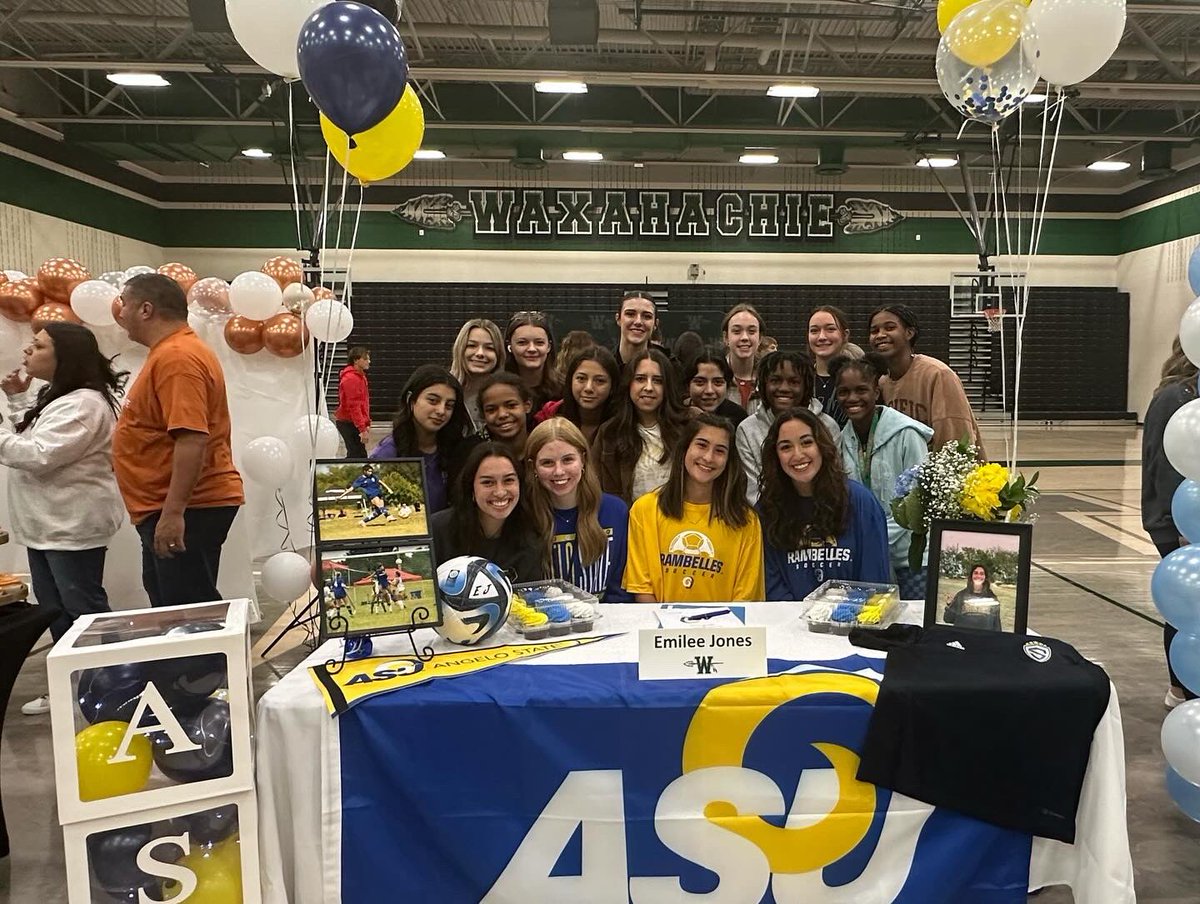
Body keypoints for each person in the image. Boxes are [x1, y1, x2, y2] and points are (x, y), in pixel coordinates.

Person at [0, 324, 127, 716]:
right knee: (56, 610)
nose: (27, 351)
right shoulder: (61, 396)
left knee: (84, 610)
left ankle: (116, 685)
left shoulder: (85, 404)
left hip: (71, 526)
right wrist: (18, 400)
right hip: (47, 526)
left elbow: (38, 454)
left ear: (64, 357)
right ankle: (72, 685)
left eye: (38, 346)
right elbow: (32, 439)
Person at [113, 273, 244, 608]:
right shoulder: (170, 352)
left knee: (187, 613)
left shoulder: (177, 357)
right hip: (167, 506)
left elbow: (191, 439)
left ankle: (203, 649)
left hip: (189, 507)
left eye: (124, 303)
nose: (120, 312)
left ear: (146, 309)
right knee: (172, 606)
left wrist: (173, 513)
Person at [624, 414, 763, 603]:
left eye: (720, 451)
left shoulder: (746, 520)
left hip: (724, 622)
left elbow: (745, 599)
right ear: (685, 449)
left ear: (728, 461)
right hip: (658, 621)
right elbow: (642, 589)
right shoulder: (644, 510)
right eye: (702, 445)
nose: (708, 457)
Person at [759, 408, 891, 601]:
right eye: (786, 447)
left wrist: (842, 614)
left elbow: (874, 581)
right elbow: (771, 586)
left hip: (853, 616)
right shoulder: (767, 509)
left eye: (807, 442)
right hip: (788, 618)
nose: (798, 454)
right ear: (775, 455)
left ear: (822, 445)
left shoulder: (862, 502)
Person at [834, 354, 933, 598]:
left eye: (861, 390)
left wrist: (873, 538)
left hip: (910, 557)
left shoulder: (906, 434)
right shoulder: (842, 441)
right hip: (867, 558)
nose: (852, 398)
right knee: (874, 618)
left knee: (914, 618)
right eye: (844, 392)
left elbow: (918, 500)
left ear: (876, 392)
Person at [1142, 337, 1198, 707]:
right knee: (1187, 603)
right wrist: (1182, 528)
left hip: (1186, 516)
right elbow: (1166, 466)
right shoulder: (1176, 397)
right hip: (1177, 520)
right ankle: (1182, 688)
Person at [526, 418, 631, 602]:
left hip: (608, 617)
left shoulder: (616, 511)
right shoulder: (525, 516)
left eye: (568, 460)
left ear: (583, 459)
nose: (559, 471)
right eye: (547, 463)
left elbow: (621, 589)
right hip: (545, 618)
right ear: (533, 466)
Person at [869, 304, 984, 453]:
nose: (880, 335)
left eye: (890, 328)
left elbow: (956, 439)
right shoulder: (882, 382)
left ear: (909, 333)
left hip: (942, 465)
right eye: (874, 331)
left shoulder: (938, 374)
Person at [429, 442, 545, 583]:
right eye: (488, 482)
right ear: (471, 487)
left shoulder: (531, 536)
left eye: (508, 480)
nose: (500, 492)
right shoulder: (436, 531)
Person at [736, 350, 840, 504]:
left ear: (806, 386)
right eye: (775, 380)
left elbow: (834, 480)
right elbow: (752, 492)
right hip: (768, 514)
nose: (784, 388)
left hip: (824, 511)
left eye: (794, 382)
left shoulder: (828, 426)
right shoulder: (747, 430)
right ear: (763, 385)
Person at [370, 365, 475, 513]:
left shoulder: (458, 449)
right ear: (411, 400)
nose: (441, 411)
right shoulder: (386, 454)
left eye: (449, 406)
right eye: (433, 401)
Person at [592, 348, 687, 505]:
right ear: (629, 383)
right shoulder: (609, 433)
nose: (648, 387)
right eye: (640, 379)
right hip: (628, 518)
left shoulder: (687, 428)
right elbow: (596, 490)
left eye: (657, 380)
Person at [544, 347, 621, 443]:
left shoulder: (624, 425)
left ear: (612, 386)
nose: (588, 388)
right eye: (581, 378)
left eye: (599, 381)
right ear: (570, 381)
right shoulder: (549, 415)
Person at [809, 305, 865, 429]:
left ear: (845, 335)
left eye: (830, 329)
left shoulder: (861, 380)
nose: (822, 337)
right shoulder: (801, 380)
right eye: (814, 330)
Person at [449, 319, 504, 432]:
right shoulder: (445, 391)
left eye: (489, 348)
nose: (480, 353)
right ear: (460, 349)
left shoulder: (507, 394)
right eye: (472, 345)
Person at [504, 311, 561, 413]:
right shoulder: (498, 389)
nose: (532, 349)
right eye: (522, 342)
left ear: (549, 346)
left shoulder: (564, 389)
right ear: (510, 346)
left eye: (539, 342)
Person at [683, 349, 748, 427]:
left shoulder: (739, 418)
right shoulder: (675, 415)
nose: (709, 390)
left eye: (718, 382)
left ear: (727, 386)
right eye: (700, 382)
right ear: (688, 385)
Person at [722, 303, 764, 413]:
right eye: (737, 331)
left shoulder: (768, 380)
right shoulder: (715, 379)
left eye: (751, 331)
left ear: (760, 338)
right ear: (726, 338)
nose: (744, 337)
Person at [479, 372, 534, 457]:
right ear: (483, 415)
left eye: (511, 405)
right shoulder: (472, 451)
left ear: (527, 405)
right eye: (491, 410)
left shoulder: (544, 445)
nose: (502, 414)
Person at [334, 346, 372, 457]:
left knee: (358, 454)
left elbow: (364, 402)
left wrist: (366, 423)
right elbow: (354, 406)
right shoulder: (351, 379)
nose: (368, 361)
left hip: (353, 422)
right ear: (356, 360)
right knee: (357, 455)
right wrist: (362, 428)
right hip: (348, 422)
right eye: (365, 359)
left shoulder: (360, 377)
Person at [943, 563, 1001, 631]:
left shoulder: (992, 598)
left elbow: (997, 625)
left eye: (982, 573)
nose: (978, 576)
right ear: (971, 576)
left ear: (985, 577)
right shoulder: (961, 595)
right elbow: (948, 619)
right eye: (975, 573)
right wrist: (950, 605)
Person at [615, 291, 658, 368]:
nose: (638, 322)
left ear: (655, 324)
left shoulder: (669, 367)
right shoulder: (603, 366)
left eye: (647, 316)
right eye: (630, 314)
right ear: (618, 319)